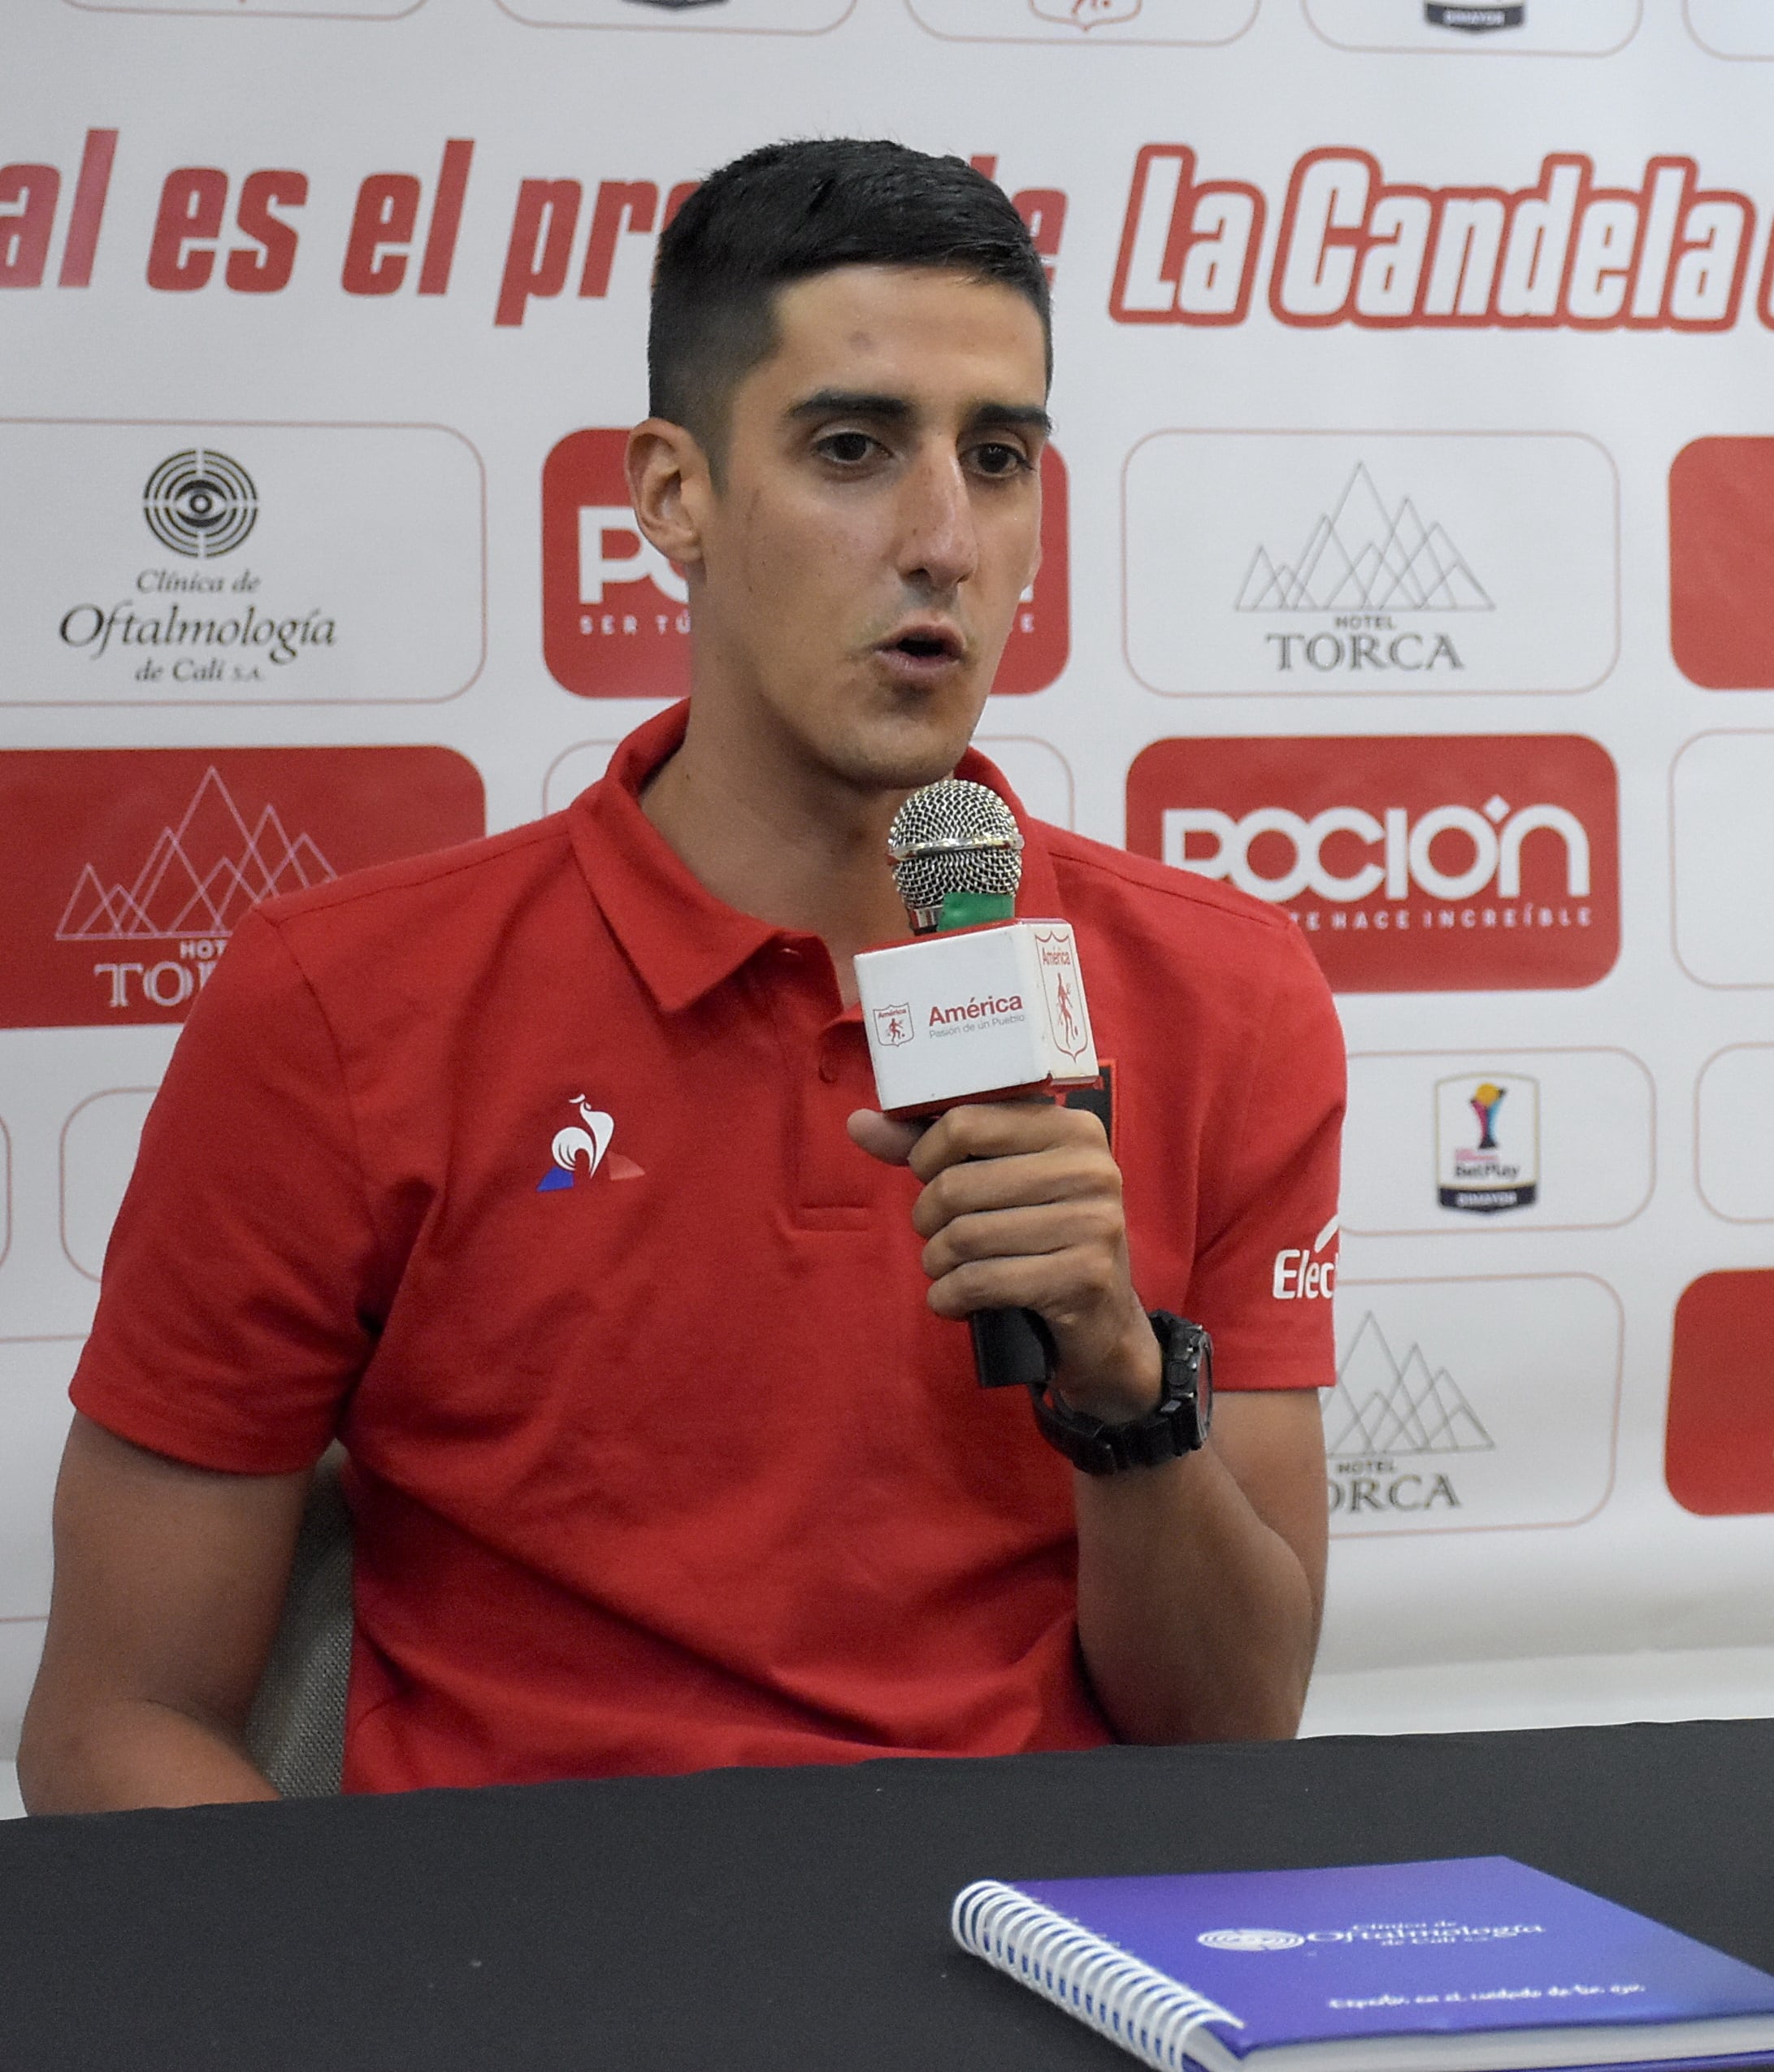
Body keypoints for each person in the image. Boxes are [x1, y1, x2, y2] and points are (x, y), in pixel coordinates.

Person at [20, 141, 1344, 1807]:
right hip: (525, 1976)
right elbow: (112, 1726)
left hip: (1040, 1957)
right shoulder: (338, 1004)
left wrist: (1117, 1381)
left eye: (997, 456)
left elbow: (1231, 1739)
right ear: (672, 496)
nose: (944, 537)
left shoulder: (1224, 990)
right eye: (854, 448)